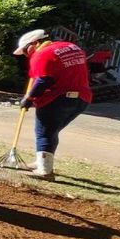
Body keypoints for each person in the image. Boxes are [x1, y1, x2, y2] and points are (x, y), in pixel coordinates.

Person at [14, 29, 92, 180]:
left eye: (25, 50)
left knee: (45, 132)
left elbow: (44, 80)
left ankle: (45, 170)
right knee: (51, 131)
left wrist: (29, 98)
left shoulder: (42, 54)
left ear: (35, 43)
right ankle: (41, 161)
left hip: (58, 98)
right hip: (81, 98)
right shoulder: (71, 47)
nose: (26, 54)